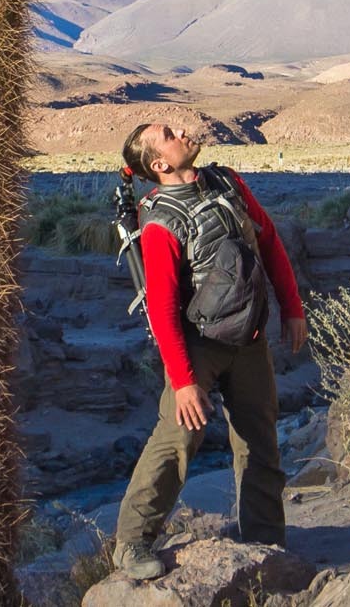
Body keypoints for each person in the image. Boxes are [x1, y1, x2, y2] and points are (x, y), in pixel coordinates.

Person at [109, 121, 307, 582]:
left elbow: (269, 239)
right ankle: (132, 542)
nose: (182, 131)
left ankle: (265, 545)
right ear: (159, 164)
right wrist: (182, 381)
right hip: (199, 345)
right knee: (178, 439)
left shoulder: (227, 181)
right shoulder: (160, 223)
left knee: (259, 441)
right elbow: (161, 307)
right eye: (169, 133)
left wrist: (291, 307)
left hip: (250, 337)